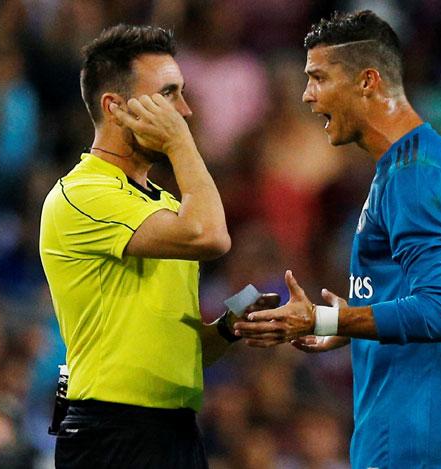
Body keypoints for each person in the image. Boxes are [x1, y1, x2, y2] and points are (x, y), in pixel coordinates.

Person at [235, 10, 441, 468]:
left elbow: (440, 311)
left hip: (414, 449)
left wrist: (325, 320)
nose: (307, 95)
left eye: (318, 78)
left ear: (367, 81)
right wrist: (351, 327)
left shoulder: (414, 177)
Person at [39, 24, 255, 468]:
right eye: (169, 95)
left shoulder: (165, 207)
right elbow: (211, 236)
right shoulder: (83, 195)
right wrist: (180, 144)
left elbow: (175, 348)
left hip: (171, 430)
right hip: (112, 433)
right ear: (115, 107)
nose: (186, 112)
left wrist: (230, 328)